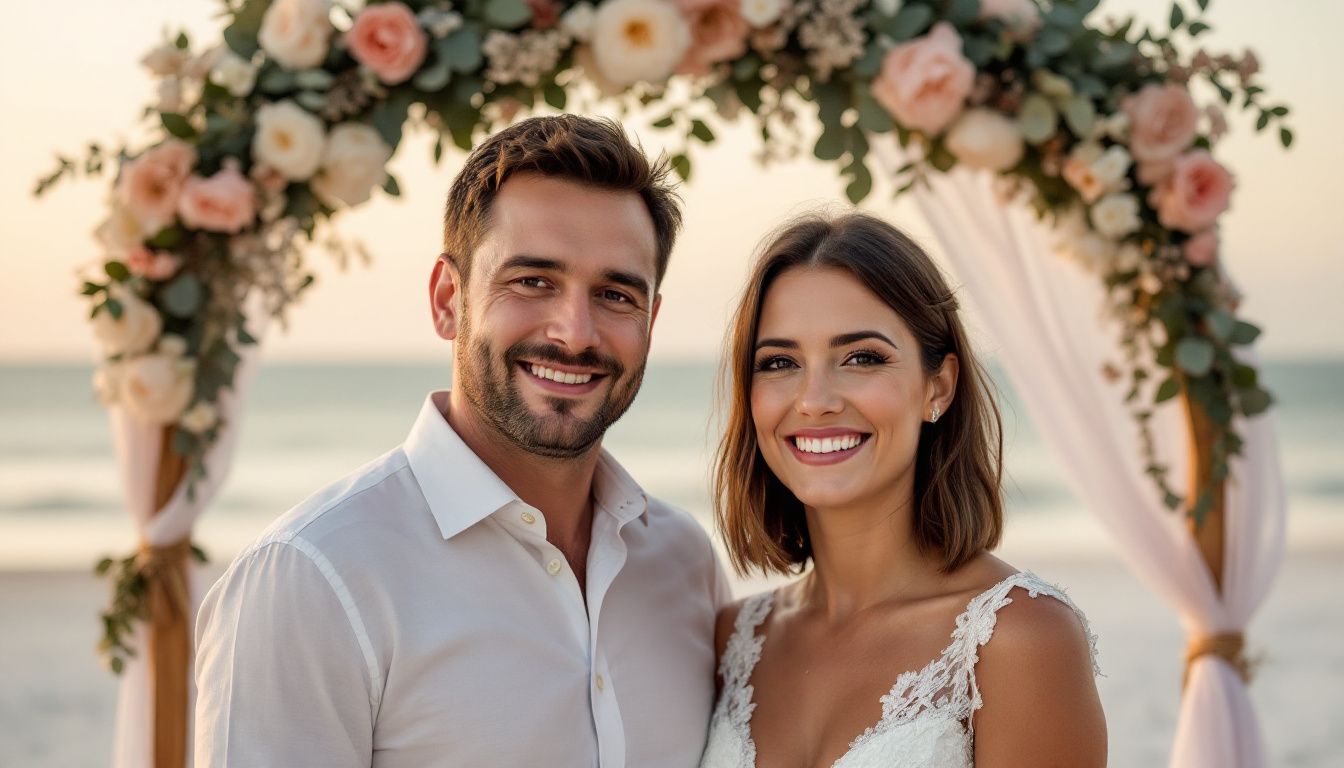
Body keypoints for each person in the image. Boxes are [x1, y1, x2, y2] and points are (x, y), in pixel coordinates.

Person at [194, 115, 729, 767]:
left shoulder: (683, 564)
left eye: (616, 294)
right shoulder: (313, 580)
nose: (576, 332)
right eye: (533, 281)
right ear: (449, 298)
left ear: (651, 322)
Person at [701, 213, 1106, 767]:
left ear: (936, 386)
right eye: (780, 362)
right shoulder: (733, 638)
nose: (814, 399)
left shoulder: (1018, 639)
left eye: (862, 357)